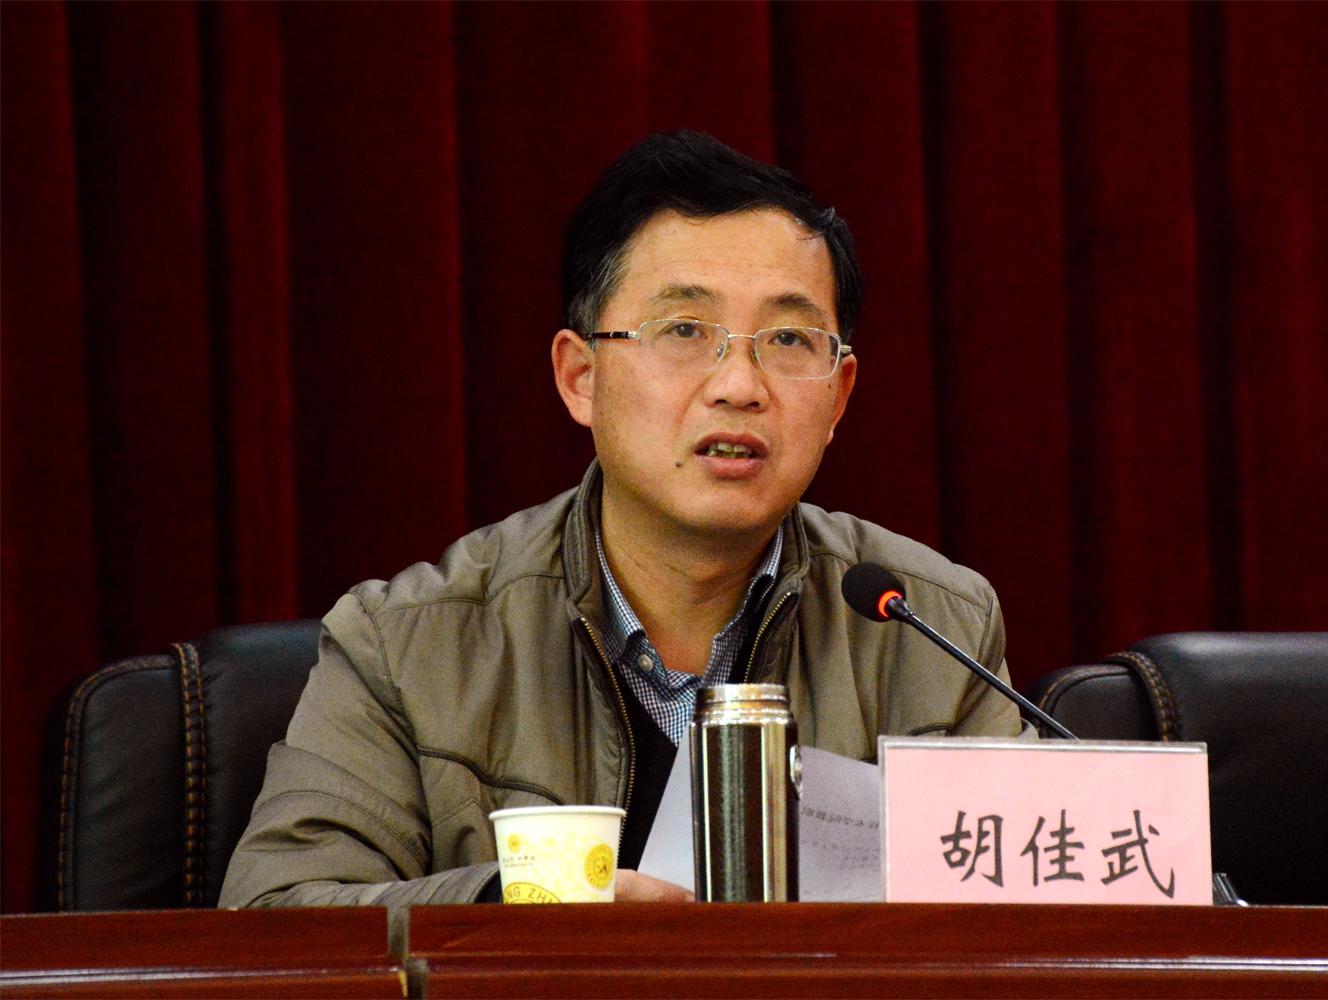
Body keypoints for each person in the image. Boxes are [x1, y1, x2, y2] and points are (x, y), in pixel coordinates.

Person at [220, 131, 1026, 909]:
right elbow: (277, 918)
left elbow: (1030, 916)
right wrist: (524, 909)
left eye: (787, 338)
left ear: (839, 396)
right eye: (685, 331)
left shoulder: (933, 631)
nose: (739, 386)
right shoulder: (408, 647)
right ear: (580, 377)